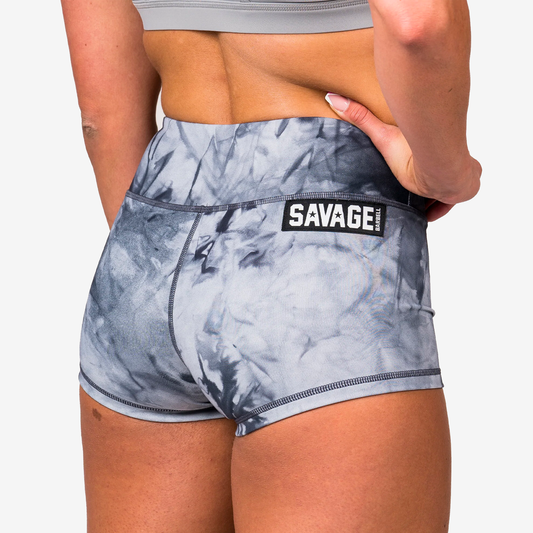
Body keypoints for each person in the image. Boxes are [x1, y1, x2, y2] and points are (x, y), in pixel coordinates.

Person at [61, 0, 481, 531]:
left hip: (147, 251)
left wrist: (166, 266)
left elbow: (101, 116)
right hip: (321, 262)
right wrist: (447, 171)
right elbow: (417, 22)